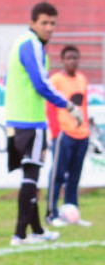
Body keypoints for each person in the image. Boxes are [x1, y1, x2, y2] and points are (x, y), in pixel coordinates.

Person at [4, 2, 82, 246]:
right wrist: (68, 105)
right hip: (31, 122)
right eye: (45, 23)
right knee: (31, 177)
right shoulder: (32, 45)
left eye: (52, 23)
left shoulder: (20, 43)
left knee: (30, 177)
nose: (49, 28)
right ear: (33, 22)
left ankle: (36, 230)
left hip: (16, 120)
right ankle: (19, 234)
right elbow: (41, 84)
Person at [45, 46, 92, 227]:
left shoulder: (82, 79)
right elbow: (50, 107)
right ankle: (52, 214)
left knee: (74, 177)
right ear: (62, 60)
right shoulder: (56, 80)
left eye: (75, 58)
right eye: (69, 58)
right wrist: (56, 132)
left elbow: (84, 107)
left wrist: (86, 127)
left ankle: (72, 213)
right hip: (64, 134)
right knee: (57, 175)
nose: (72, 61)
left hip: (82, 134)